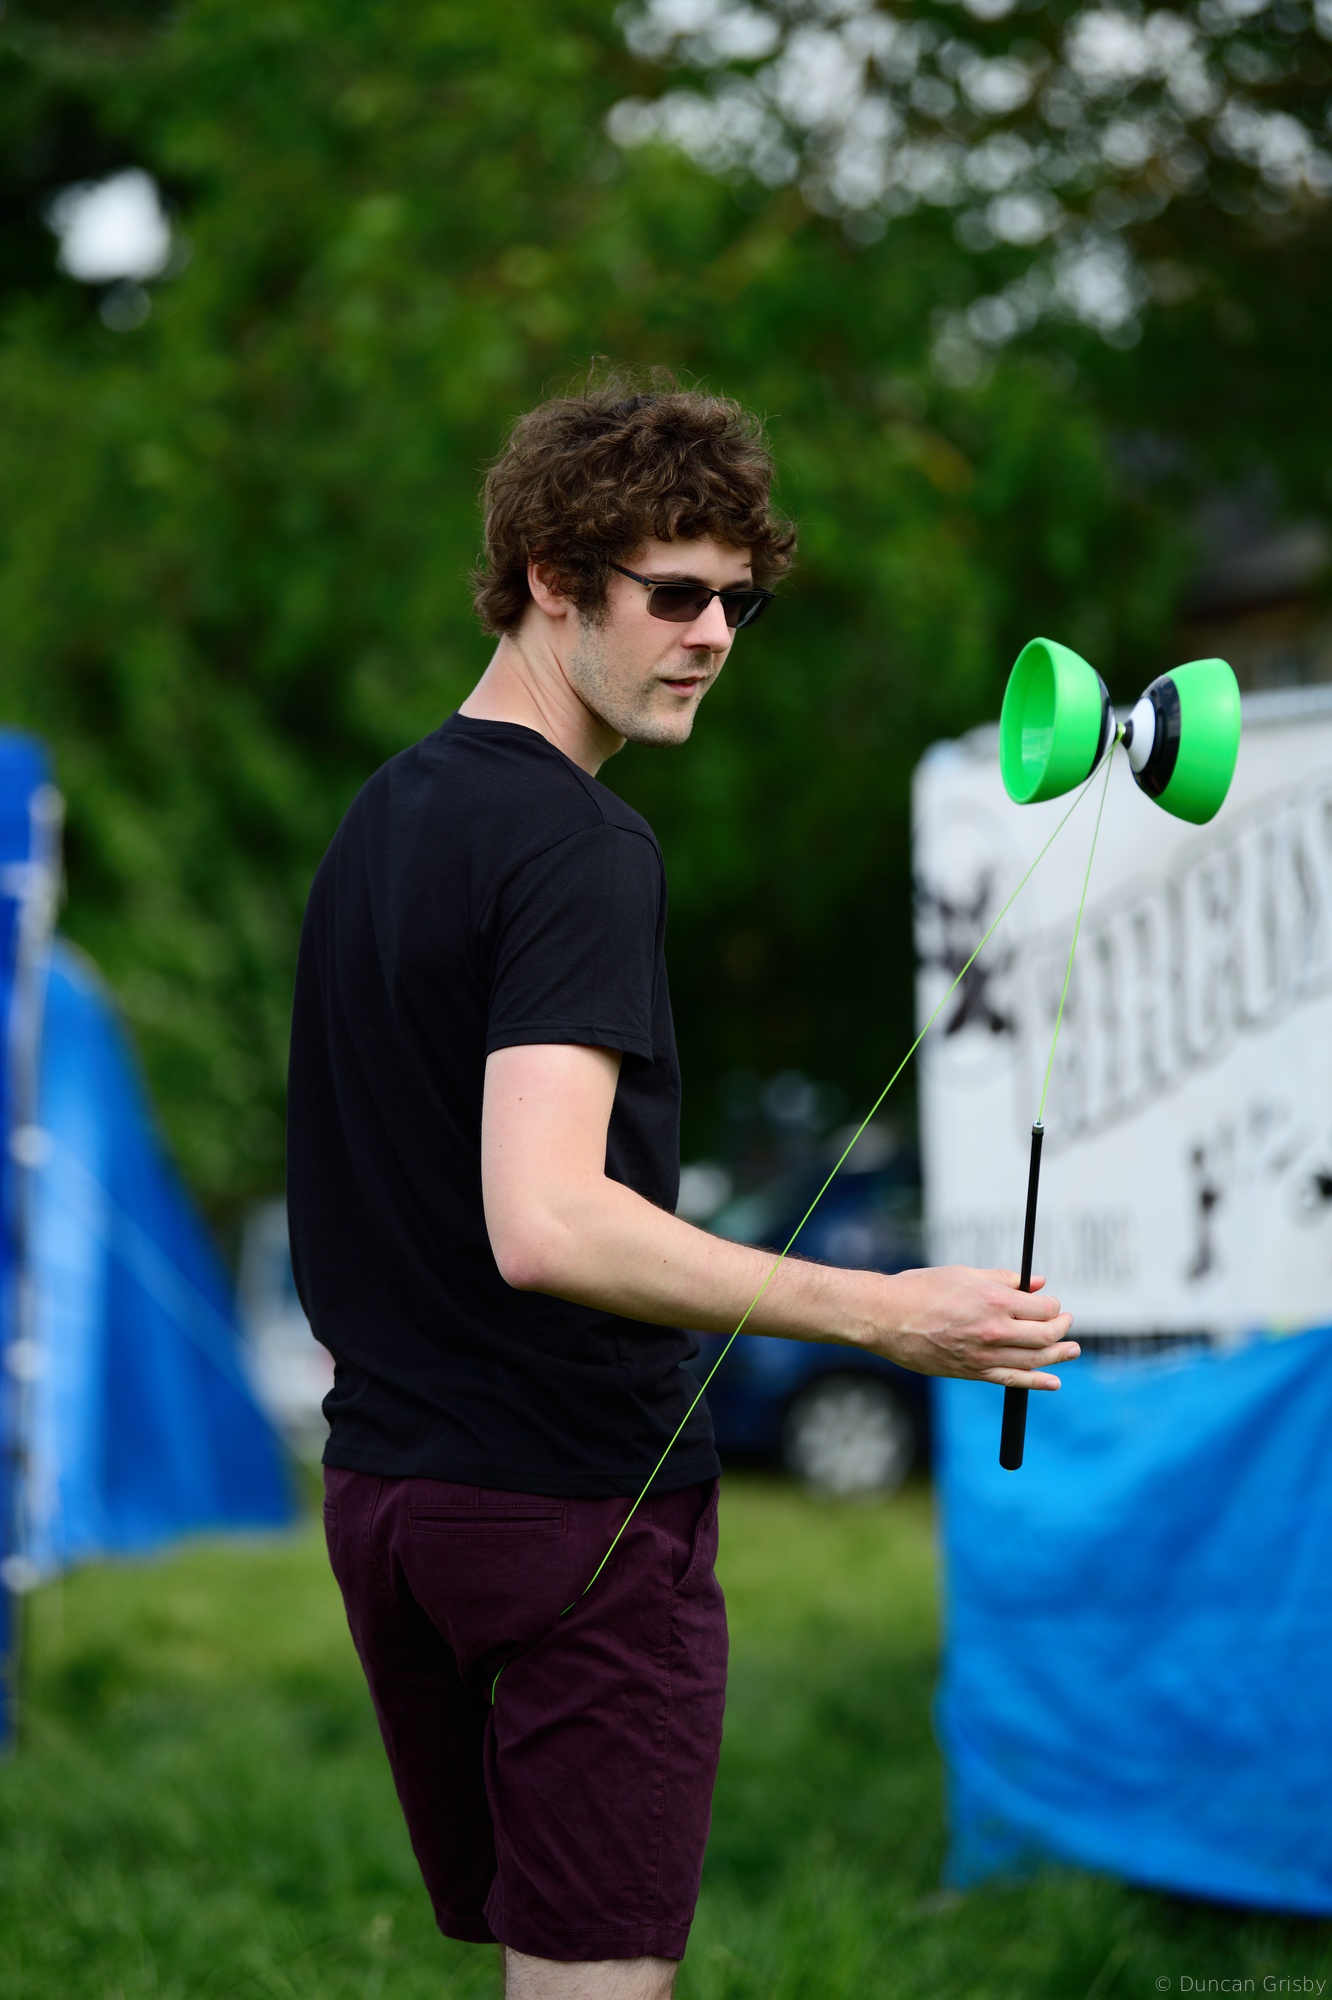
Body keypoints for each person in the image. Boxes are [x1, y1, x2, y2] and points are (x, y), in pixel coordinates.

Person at [286, 378, 1077, 2000]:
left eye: (739, 601)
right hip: (569, 1509)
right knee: (592, 1982)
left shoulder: (381, 817)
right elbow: (548, 1220)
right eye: (673, 594)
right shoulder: (581, 847)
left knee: (540, 1965)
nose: (714, 634)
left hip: (389, 1509)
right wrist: (886, 1315)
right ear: (549, 579)